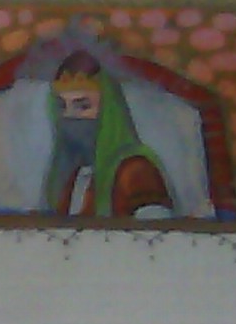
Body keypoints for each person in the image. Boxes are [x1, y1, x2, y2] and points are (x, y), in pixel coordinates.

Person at [41, 51, 175, 219]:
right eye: (62, 106)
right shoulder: (74, 175)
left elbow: (157, 231)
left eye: (83, 106)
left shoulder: (136, 170)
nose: (70, 116)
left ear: (108, 112)